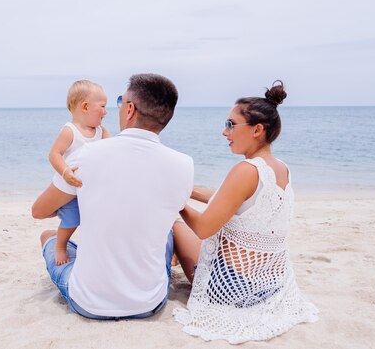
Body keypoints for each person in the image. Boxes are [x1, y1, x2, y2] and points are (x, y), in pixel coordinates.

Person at [32, 73, 194, 320]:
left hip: (88, 302)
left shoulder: (85, 155)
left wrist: (71, 198)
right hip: (150, 302)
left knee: (48, 236)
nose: (111, 111)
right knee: (168, 231)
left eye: (119, 102)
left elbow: (39, 211)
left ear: (130, 110)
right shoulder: (184, 165)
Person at [172, 80, 318, 343]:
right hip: (270, 284)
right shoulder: (280, 168)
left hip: (232, 286)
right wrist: (187, 190)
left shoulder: (245, 171)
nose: (224, 133)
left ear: (257, 130)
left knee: (175, 224)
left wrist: (176, 201)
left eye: (230, 125)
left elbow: (204, 228)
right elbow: (226, 199)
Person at [48, 80, 110, 265]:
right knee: (71, 220)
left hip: (91, 189)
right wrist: (65, 171)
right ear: (85, 106)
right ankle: (60, 246)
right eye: (102, 106)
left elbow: (113, 150)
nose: (106, 112)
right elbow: (54, 154)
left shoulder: (101, 131)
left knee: (95, 221)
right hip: (71, 188)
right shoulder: (70, 131)